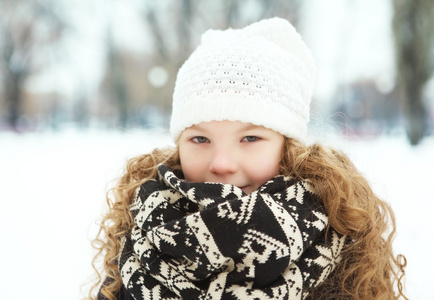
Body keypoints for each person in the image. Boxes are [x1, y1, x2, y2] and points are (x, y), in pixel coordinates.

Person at [88, 18, 407, 300]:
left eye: (250, 138)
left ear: (288, 147)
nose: (222, 163)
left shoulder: (339, 238)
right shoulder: (142, 231)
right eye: (200, 139)